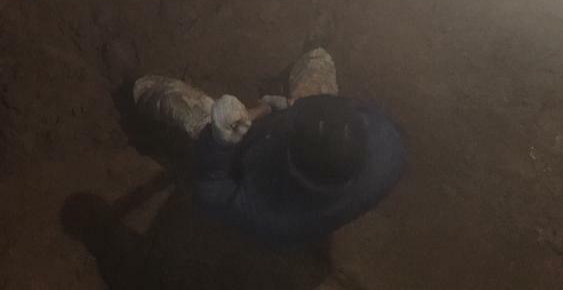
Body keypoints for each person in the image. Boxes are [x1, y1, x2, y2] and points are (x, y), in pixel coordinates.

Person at [133, 48, 405, 246]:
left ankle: (146, 92)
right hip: (308, 162)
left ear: (291, 157)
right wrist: (282, 107)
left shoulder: (271, 214)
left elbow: (210, 190)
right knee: (319, 59)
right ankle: (315, 50)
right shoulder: (388, 145)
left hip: (251, 164)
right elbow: (350, 109)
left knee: (201, 114)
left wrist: (219, 141)